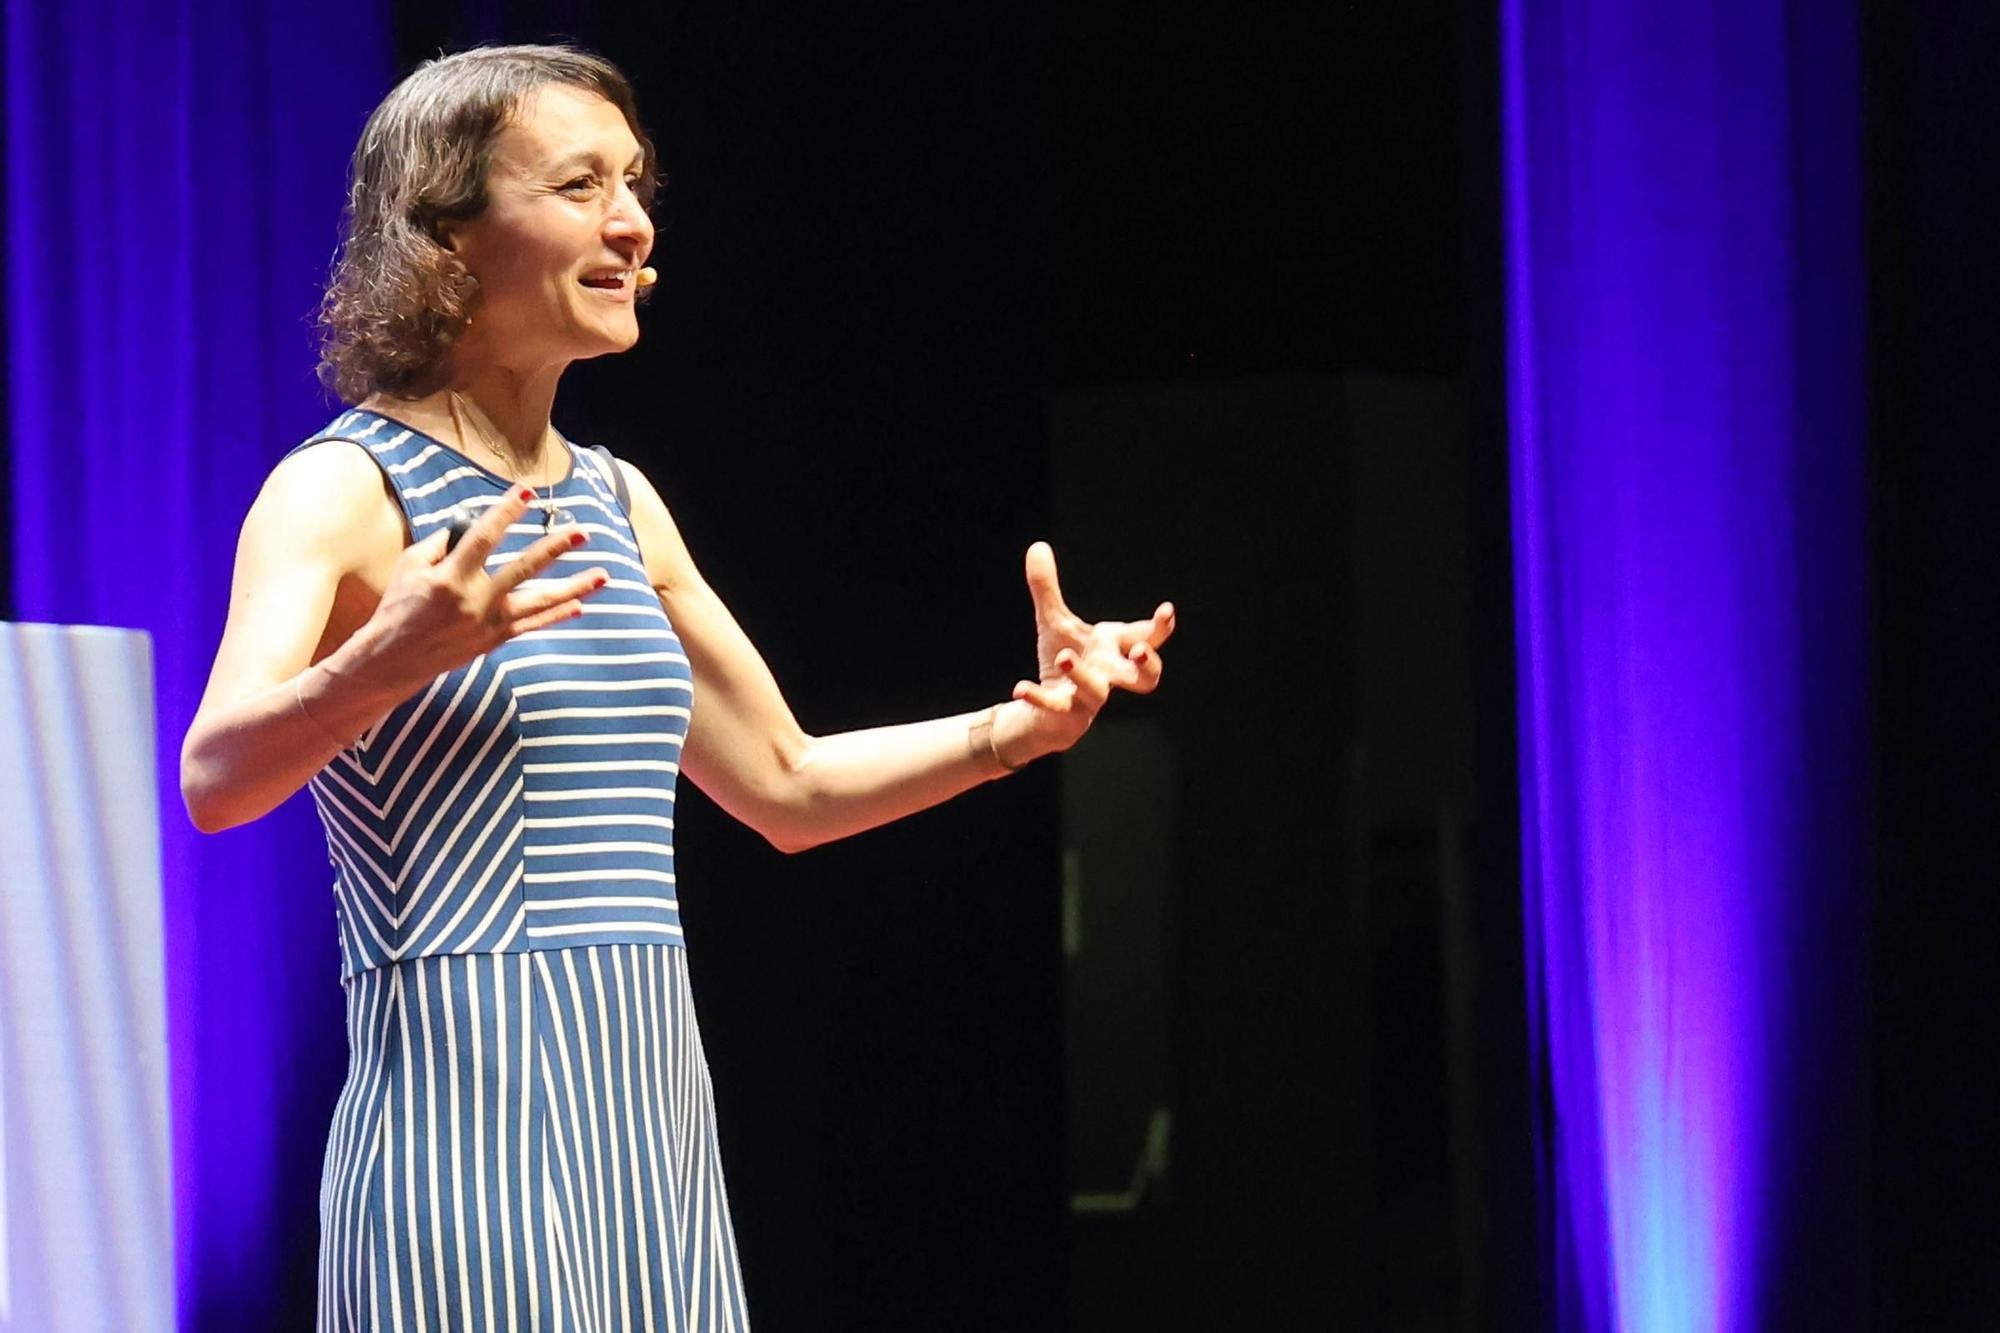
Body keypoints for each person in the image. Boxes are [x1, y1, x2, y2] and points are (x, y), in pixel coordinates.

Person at [180, 44, 1173, 1333]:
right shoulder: (342, 488)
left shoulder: (620, 500)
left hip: (648, 1128)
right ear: (451, 233)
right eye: (581, 184)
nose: (634, 222)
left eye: (635, 184)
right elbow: (215, 779)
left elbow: (787, 785)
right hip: (462, 1132)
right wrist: (392, 656)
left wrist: (1016, 730)